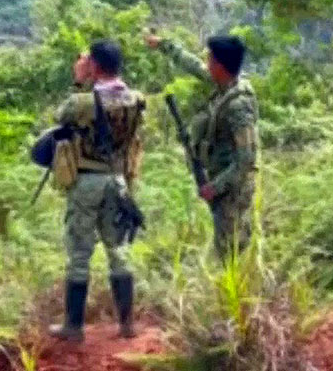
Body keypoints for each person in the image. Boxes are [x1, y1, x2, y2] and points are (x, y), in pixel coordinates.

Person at [49, 40, 146, 342]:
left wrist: (79, 81)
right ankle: (127, 325)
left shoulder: (83, 102)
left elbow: (61, 116)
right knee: (118, 250)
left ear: (95, 66)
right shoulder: (136, 99)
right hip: (118, 181)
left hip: (88, 181)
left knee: (80, 251)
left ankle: (74, 327)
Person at [145, 33, 259, 259]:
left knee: (232, 252)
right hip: (221, 183)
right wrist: (164, 45)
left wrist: (214, 187)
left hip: (232, 190)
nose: (206, 64)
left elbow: (246, 159)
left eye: (210, 60)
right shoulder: (225, 84)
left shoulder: (238, 104)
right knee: (226, 247)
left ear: (219, 65)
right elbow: (193, 66)